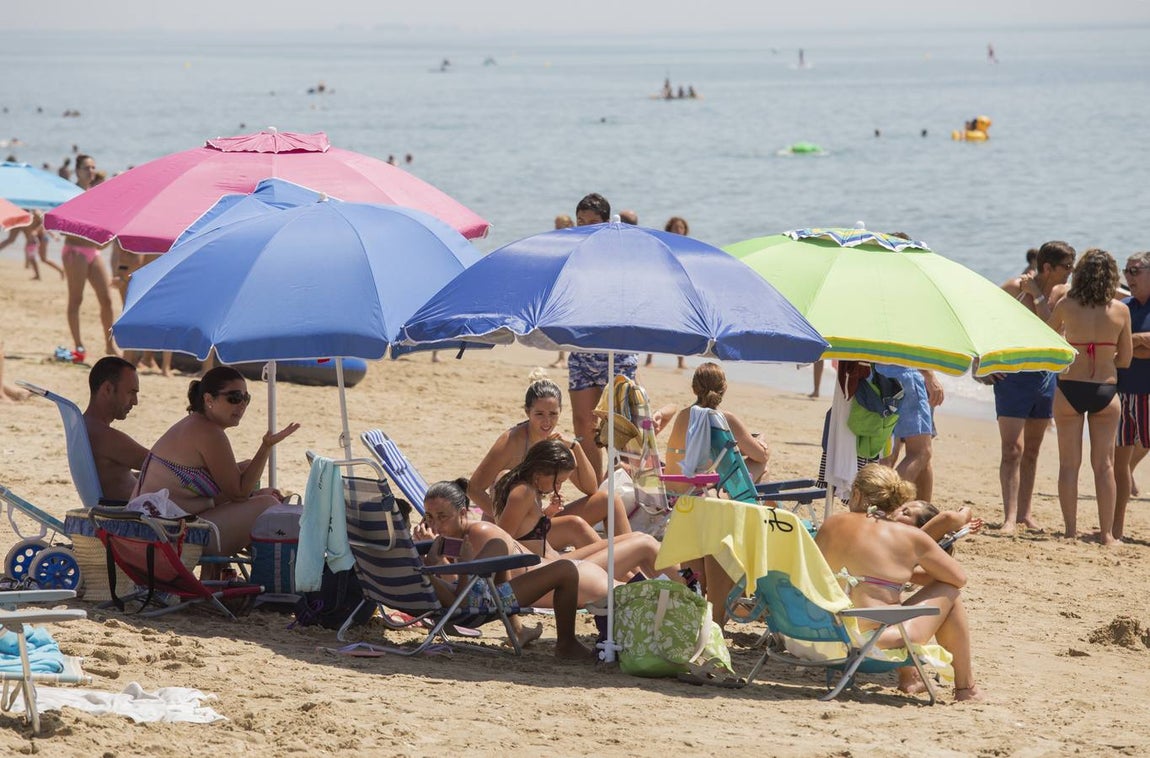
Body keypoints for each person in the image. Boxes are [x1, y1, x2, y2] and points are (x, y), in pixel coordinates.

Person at [815, 464, 981, 701]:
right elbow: (958, 579)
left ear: (858, 494)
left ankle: (912, 677)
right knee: (949, 592)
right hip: (869, 641)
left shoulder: (832, 523)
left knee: (885, 594)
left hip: (819, 631)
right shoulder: (908, 537)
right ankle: (966, 688)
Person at [422, 479, 612, 643]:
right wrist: (443, 564)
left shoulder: (467, 537)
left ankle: (518, 630)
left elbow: (456, 594)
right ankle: (565, 644)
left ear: (463, 513)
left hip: (489, 595)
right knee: (565, 569)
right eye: (430, 517)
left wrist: (435, 564)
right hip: (486, 602)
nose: (435, 525)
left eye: (442, 517)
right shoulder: (447, 547)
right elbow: (463, 603)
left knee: (500, 551)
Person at [134, 367, 299, 555]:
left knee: (246, 469)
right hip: (171, 538)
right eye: (234, 398)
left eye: (246, 399)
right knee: (268, 505)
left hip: (153, 530)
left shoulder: (195, 424)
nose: (242, 405)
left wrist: (254, 494)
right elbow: (239, 494)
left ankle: (215, 574)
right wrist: (266, 446)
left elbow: (223, 492)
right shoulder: (209, 432)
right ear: (209, 399)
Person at [492, 440, 675, 583]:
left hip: (553, 563)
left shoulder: (522, 484)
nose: (558, 487)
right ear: (541, 472)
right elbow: (501, 542)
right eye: (557, 482)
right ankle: (684, 586)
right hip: (548, 573)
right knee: (643, 544)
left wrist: (546, 514)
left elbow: (524, 530)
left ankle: (644, 582)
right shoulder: (523, 493)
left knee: (636, 539)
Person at [469, 375, 632, 535]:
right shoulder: (512, 441)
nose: (547, 421)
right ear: (527, 412)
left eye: (553, 414)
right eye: (539, 414)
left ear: (560, 411)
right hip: (510, 528)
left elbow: (591, 489)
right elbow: (473, 489)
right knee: (576, 526)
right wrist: (503, 518)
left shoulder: (555, 444)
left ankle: (625, 556)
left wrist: (576, 447)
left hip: (540, 520)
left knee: (610, 501)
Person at [1045, 250, 1132, 544]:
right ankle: (1107, 534)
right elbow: (1126, 360)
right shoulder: (1121, 310)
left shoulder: (1066, 304)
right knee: (1104, 464)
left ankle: (1070, 531)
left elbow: (1048, 342)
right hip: (1105, 391)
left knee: (1069, 464)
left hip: (1070, 387)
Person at [990, 240, 1076, 531]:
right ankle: (1009, 518)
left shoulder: (1062, 293)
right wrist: (982, 366)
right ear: (1048, 266)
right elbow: (985, 320)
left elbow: (1050, 329)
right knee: (1012, 448)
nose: (1070, 273)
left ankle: (1025, 513)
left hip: (1044, 376)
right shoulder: (1014, 288)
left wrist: (1038, 294)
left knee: (1033, 450)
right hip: (1013, 376)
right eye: (1066, 267)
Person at [569, 193, 639, 481]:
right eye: (581, 221)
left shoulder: (621, 257)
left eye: (593, 222)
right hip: (581, 349)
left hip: (617, 350)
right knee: (583, 423)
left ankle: (618, 486)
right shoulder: (573, 255)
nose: (586, 227)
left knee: (619, 426)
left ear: (607, 223)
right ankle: (594, 488)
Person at [61, 154, 117, 359]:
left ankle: (110, 346)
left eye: (93, 167)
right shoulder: (69, 193)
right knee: (76, 299)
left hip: (93, 251)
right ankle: (79, 346)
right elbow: (63, 228)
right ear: (77, 171)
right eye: (86, 167)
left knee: (107, 300)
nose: (91, 171)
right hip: (75, 252)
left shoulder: (94, 193)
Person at [1114, 251, 1150, 542]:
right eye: (1126, 270)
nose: (1129, 276)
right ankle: (1116, 528)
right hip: (1122, 394)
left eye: (1135, 270)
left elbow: (1124, 348)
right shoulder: (1123, 306)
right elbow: (1117, 352)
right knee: (1119, 465)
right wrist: (1139, 343)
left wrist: (1129, 344)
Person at [83, 356, 150, 501]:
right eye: (131, 392)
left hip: (117, 515)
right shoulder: (104, 437)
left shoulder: (85, 426)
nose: (135, 401)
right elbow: (167, 467)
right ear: (108, 389)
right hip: (132, 521)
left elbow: (117, 476)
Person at [0, 210, 63, 280]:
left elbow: (44, 223)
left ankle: (60, 270)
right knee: (32, 256)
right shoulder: (22, 215)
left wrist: (52, 235)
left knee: (43, 259)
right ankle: (36, 274)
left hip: (42, 239)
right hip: (34, 240)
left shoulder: (35, 212)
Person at [549, 215, 576, 367]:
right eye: (556, 225)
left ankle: (564, 358)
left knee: (567, 321)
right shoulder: (556, 241)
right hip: (560, 284)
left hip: (570, 285)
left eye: (561, 225)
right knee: (558, 321)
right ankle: (561, 357)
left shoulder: (573, 240)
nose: (557, 229)